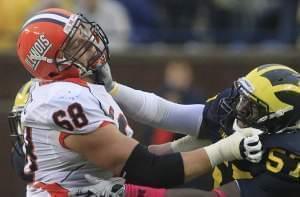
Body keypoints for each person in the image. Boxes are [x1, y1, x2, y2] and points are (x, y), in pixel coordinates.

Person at [15, 8, 261, 196]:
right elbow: (150, 170)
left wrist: (113, 89)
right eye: (76, 44)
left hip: (99, 186)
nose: (90, 42)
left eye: (83, 32)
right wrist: (227, 148)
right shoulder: (64, 100)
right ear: (53, 64)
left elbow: (158, 114)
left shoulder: (76, 87)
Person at [89, 63, 300, 197]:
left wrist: (132, 193)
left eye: (252, 107)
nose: (239, 108)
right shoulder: (234, 106)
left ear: (280, 119)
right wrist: (113, 89)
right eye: (243, 98)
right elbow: (167, 114)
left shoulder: (290, 156)